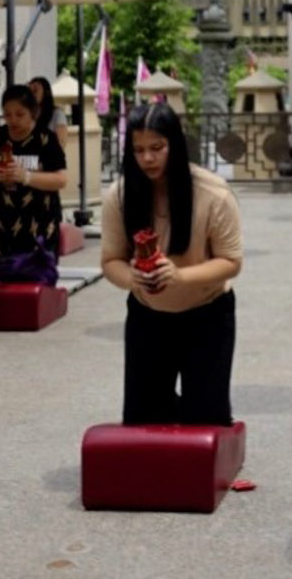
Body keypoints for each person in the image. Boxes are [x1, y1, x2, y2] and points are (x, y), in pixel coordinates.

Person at [100, 103, 244, 426]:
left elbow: (231, 261)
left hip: (208, 313)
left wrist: (180, 275)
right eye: (138, 150)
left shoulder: (213, 193)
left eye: (157, 148)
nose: (147, 158)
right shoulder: (120, 195)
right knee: (144, 419)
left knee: (205, 418)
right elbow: (111, 260)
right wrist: (132, 278)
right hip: (147, 315)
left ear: (175, 146)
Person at [0, 84, 68, 283]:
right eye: (7, 115)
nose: (13, 120)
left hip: (39, 225)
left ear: (32, 113)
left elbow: (61, 179)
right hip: (3, 225)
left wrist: (26, 176)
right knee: (1, 285)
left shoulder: (46, 139)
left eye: (20, 114)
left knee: (34, 283)